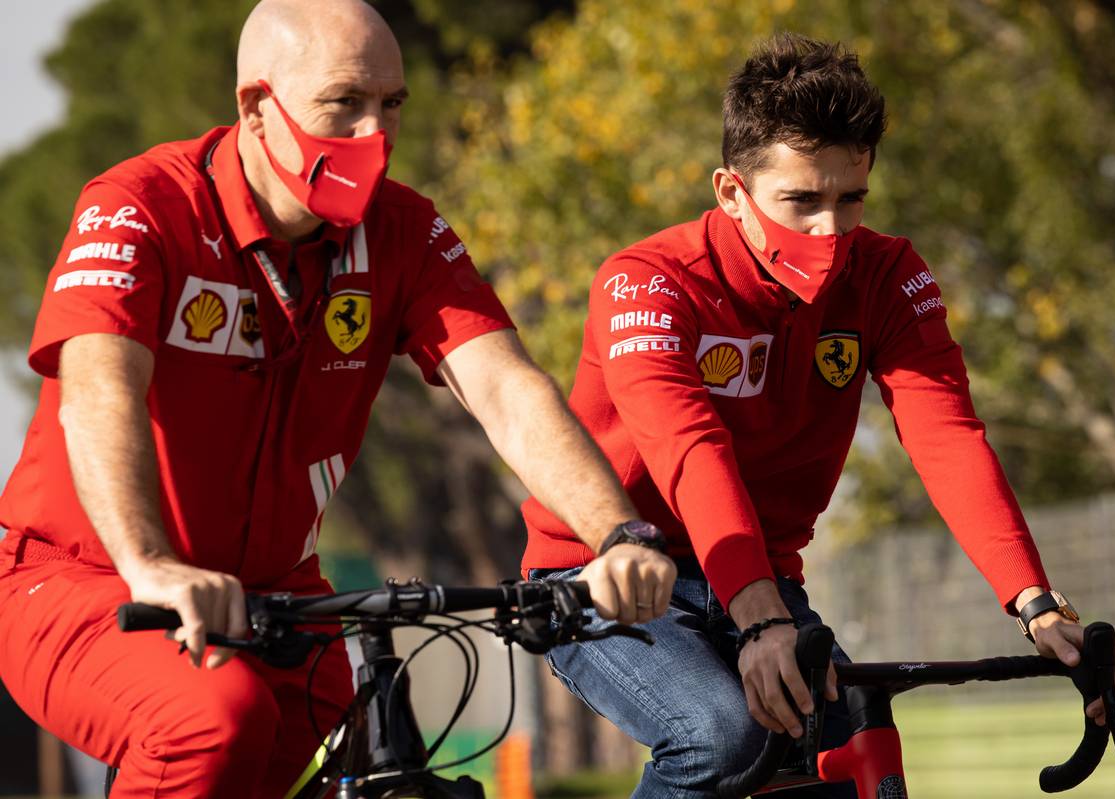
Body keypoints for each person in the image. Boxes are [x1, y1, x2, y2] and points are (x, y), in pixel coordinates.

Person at [0, 1, 675, 796]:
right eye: (343, 104)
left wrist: (617, 534)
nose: (374, 137)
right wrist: (151, 565)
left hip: (282, 599)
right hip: (83, 581)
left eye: (391, 106)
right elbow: (99, 386)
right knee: (213, 720)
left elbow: (502, 384)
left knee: (370, 737)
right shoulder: (140, 204)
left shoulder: (402, 229)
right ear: (257, 107)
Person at [522, 34, 1115, 798]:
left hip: (763, 577)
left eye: (851, 198)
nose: (830, 231)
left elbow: (947, 436)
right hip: (604, 572)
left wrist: (1035, 603)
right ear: (730, 192)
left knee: (857, 749)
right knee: (719, 734)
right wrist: (760, 619)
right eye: (801, 201)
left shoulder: (888, 274)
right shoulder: (647, 280)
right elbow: (688, 448)